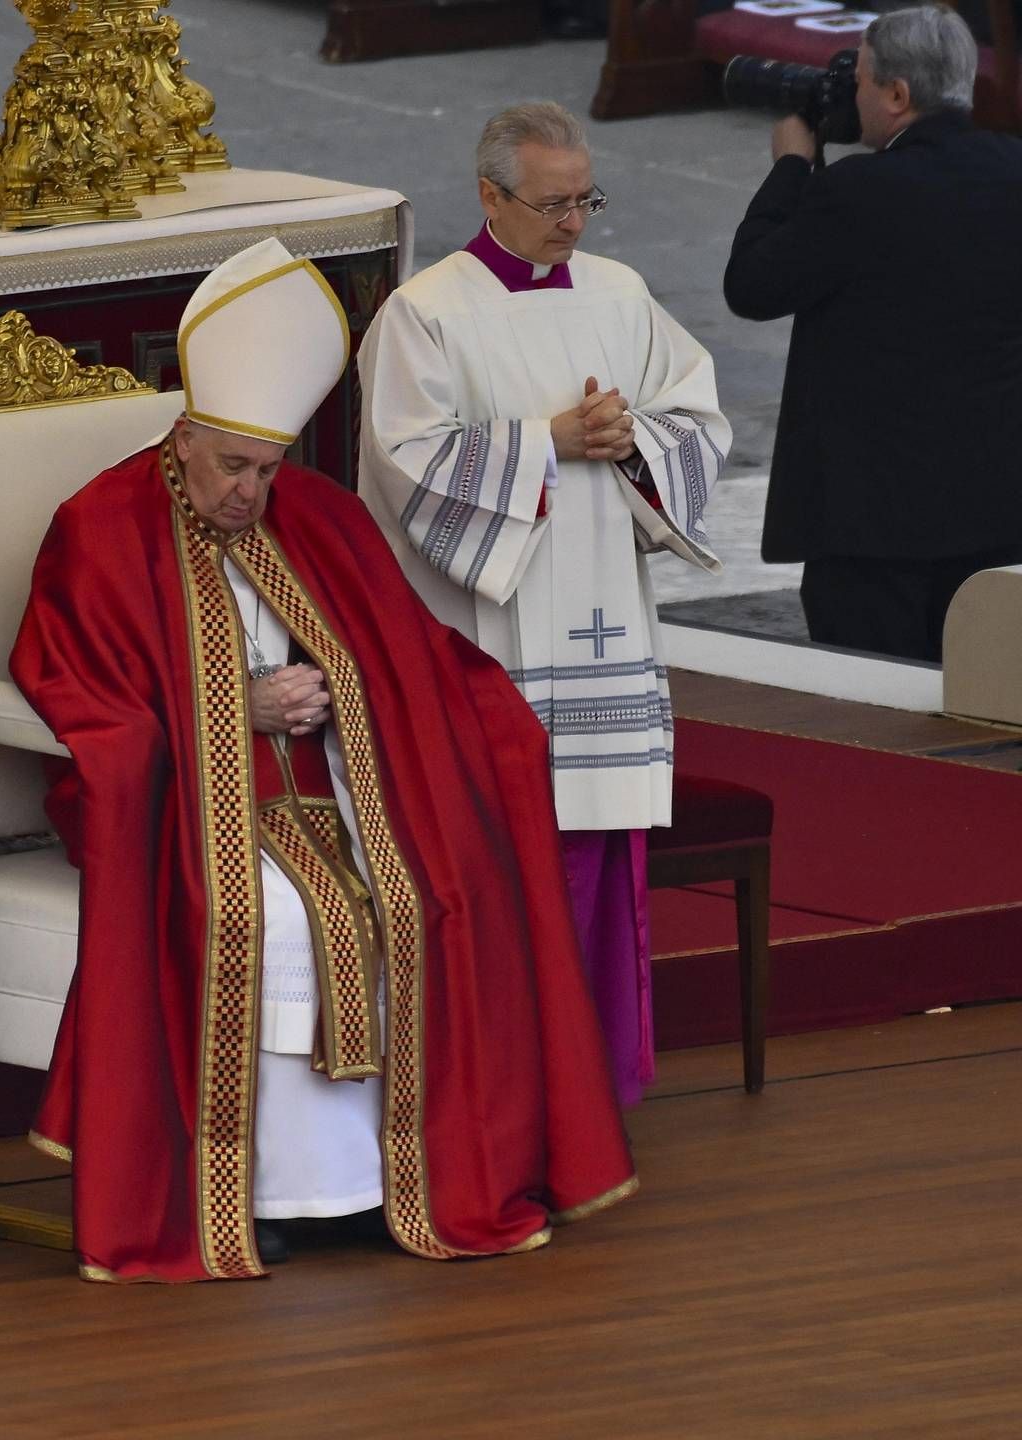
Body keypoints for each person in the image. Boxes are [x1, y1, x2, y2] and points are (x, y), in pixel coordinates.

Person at [11, 237, 637, 1284]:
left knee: (424, 891)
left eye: (269, 469)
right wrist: (233, 707)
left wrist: (354, 695)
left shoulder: (320, 516)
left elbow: (411, 657)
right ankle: (260, 1196)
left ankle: (379, 1185)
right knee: (281, 911)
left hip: (345, 790)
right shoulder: (101, 527)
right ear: (187, 435)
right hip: (195, 807)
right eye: (232, 469)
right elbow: (76, 689)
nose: (253, 492)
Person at [357, 102, 730, 1108]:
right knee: (510, 857)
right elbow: (406, 465)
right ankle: (510, 1092)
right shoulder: (427, 313)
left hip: (607, 613)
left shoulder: (621, 292)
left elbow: (697, 415)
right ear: (490, 195)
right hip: (496, 637)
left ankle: (597, 1086)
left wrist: (637, 438)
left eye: (586, 200)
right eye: (554, 202)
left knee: (601, 849)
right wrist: (547, 441)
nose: (575, 223)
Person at [724, 5, 1022, 662]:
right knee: (994, 720)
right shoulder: (1014, 172)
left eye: (858, 81)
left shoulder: (858, 193)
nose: (850, 95)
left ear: (896, 93)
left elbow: (751, 285)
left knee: (876, 725)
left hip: (873, 533)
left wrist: (791, 168)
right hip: (1001, 518)